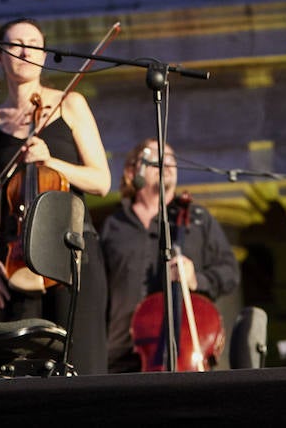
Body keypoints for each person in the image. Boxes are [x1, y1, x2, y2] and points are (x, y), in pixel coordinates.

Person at [0, 18, 111, 374]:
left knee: (81, 365)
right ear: (0, 57)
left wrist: (52, 162)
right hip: (17, 258)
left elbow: (101, 181)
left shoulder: (71, 104)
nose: (25, 51)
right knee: (22, 372)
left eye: (34, 43)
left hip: (72, 251)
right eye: (15, 44)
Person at [99, 139, 240, 372]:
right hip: (120, 355)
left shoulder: (196, 219)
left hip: (181, 353)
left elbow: (230, 272)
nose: (168, 163)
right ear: (132, 171)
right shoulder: (114, 225)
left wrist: (197, 279)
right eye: (156, 158)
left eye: (172, 159)